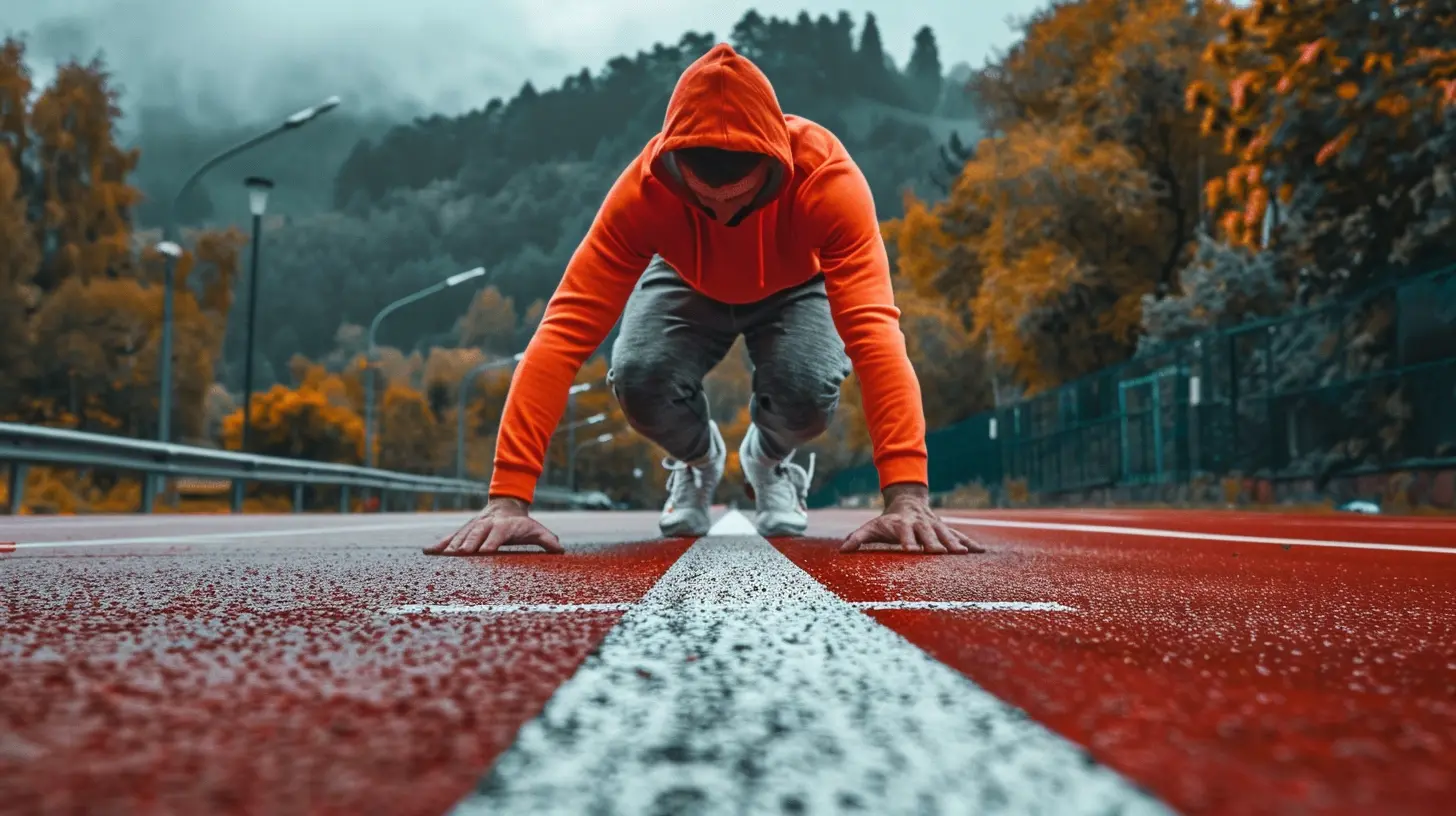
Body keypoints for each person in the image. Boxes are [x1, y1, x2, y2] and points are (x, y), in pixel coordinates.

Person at [427, 43, 982, 557]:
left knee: (809, 390)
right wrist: (508, 495)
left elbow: (876, 336)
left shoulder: (828, 182)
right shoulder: (643, 195)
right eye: (704, 201)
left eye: (739, 203)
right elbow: (562, 332)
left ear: (776, 166)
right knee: (637, 375)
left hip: (797, 284)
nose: (721, 217)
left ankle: (768, 460)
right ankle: (699, 459)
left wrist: (907, 493)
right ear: (673, 167)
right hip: (683, 277)